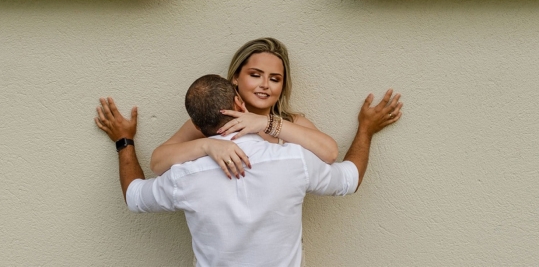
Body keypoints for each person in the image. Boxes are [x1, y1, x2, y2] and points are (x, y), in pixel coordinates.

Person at [94, 74, 402, 267]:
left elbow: (134, 196)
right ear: (240, 104)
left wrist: (124, 140)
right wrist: (366, 129)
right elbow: (349, 179)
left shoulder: (182, 177)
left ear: (198, 127)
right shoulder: (293, 160)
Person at [149, 38, 340, 179]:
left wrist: (266, 123)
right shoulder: (212, 119)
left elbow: (330, 153)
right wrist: (207, 146)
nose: (265, 84)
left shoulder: (291, 123)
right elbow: (157, 163)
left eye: (275, 79)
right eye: (255, 75)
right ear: (236, 77)